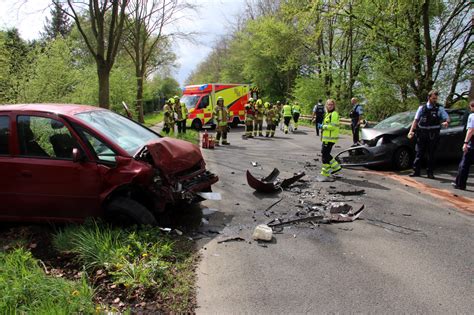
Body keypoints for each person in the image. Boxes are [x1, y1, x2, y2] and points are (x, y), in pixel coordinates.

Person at [408, 90, 450, 179]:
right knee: (419, 153)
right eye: (433, 98)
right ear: (429, 97)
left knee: (431, 154)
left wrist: (446, 122)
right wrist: (411, 131)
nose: (435, 100)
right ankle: (416, 171)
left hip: (433, 135)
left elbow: (447, 118)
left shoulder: (439, 108)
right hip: (422, 133)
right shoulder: (422, 108)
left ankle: (430, 173)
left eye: (436, 98)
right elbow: (415, 120)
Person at [452, 100, 474, 190]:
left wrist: (465, 143)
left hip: (472, 143)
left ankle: (460, 184)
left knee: (464, 164)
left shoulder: (472, 116)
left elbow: (471, 130)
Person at [319, 99, 342, 179]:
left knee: (325, 153)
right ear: (326, 105)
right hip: (326, 138)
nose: (330, 106)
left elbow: (332, 127)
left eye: (331, 104)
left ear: (334, 105)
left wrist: (323, 126)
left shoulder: (334, 114)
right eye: (328, 104)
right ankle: (325, 172)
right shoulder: (328, 114)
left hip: (330, 138)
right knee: (324, 154)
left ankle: (336, 166)